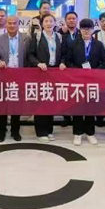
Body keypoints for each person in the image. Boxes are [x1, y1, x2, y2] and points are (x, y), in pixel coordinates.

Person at [65, 18, 105, 146]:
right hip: (77, 80)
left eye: (89, 28)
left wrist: (95, 72)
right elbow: (68, 61)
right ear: (80, 30)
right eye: (83, 28)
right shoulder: (73, 44)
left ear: (92, 30)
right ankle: (77, 133)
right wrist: (77, 71)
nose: (86, 31)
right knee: (77, 107)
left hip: (92, 81)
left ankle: (90, 133)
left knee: (91, 107)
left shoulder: (98, 44)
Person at [27, 13, 66, 142]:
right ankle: (40, 132)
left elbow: (64, 54)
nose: (49, 23)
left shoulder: (59, 36)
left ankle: (49, 130)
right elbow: (30, 54)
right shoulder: (37, 36)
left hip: (55, 73)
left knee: (51, 102)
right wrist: (38, 63)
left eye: (51, 21)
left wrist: (62, 62)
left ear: (55, 23)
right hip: (41, 73)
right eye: (46, 21)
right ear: (42, 24)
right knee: (40, 102)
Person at [0, 15, 31, 142]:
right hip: (4, 75)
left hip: (20, 76)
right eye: (9, 23)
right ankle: (1, 131)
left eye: (14, 23)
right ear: (6, 24)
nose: (12, 25)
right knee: (2, 105)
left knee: (16, 105)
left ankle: (15, 131)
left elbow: (29, 56)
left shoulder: (26, 38)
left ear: (18, 24)